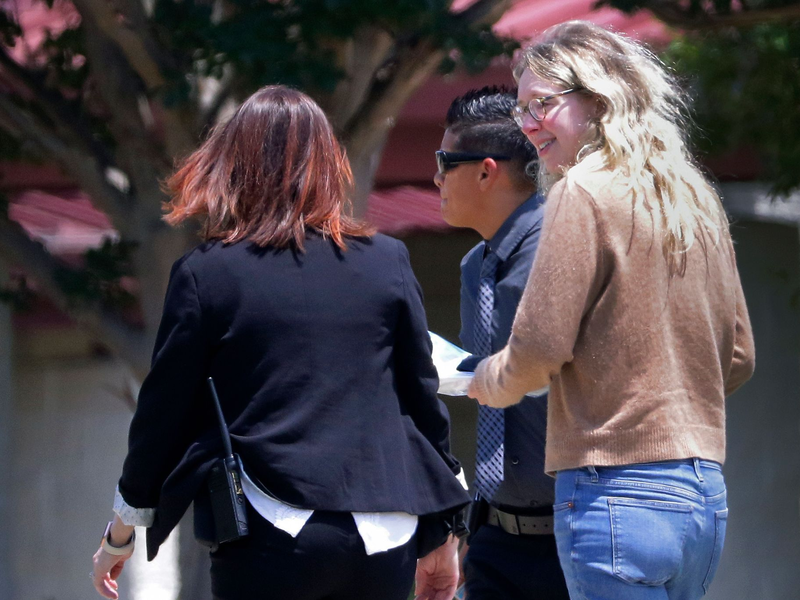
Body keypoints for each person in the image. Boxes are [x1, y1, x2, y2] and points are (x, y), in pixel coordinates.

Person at [90, 85, 470, 600]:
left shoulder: (208, 274)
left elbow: (163, 415)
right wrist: (443, 526)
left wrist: (122, 532)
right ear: (330, 164)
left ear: (233, 166)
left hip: (272, 529)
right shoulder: (387, 261)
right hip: (386, 533)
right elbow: (421, 404)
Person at [468, 21, 755, 600]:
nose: (527, 126)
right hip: (701, 491)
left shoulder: (583, 188)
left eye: (541, 106)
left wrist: (485, 380)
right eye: (522, 110)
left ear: (597, 100)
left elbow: (540, 350)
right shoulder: (693, 195)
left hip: (613, 488)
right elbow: (741, 356)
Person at [434, 86, 570, 599]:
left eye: (445, 162)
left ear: (486, 170)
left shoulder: (562, 249)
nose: (436, 178)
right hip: (497, 533)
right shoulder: (476, 266)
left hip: (576, 533)